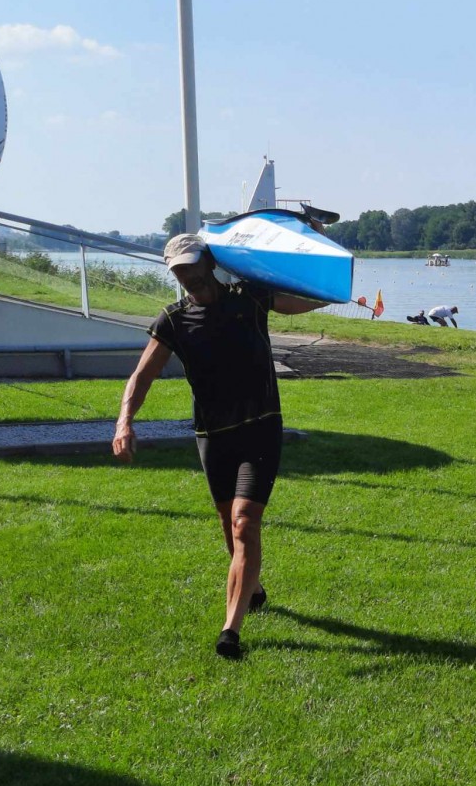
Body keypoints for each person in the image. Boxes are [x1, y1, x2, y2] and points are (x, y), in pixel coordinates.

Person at [112, 233, 325, 659]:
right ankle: (254, 589)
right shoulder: (173, 320)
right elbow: (142, 376)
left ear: (209, 262)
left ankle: (231, 630)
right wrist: (124, 422)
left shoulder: (250, 298)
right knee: (230, 527)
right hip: (213, 437)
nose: (188, 276)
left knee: (245, 523)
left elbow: (299, 301)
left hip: (260, 427)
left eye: (192, 265)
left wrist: (333, 288)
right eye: (179, 271)